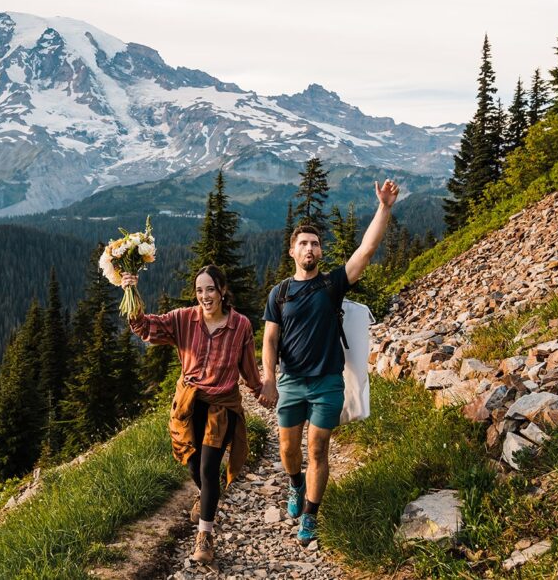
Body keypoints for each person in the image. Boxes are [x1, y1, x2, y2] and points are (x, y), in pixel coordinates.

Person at [259, 179, 399, 546]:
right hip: (290, 383)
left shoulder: (332, 285)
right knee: (288, 450)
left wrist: (384, 207)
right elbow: (270, 338)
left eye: (315, 244)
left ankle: (310, 514)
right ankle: (294, 486)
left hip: (326, 384)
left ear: (320, 252)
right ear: (292, 251)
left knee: (318, 449)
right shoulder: (280, 293)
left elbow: (366, 252)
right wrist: (268, 378)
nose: (310, 248)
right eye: (303, 243)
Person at [121, 265, 262, 565]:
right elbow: (146, 328)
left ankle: (205, 537)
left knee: (210, 469)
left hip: (222, 406)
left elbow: (248, 366)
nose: (205, 296)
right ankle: (206, 495)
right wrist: (130, 291)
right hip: (188, 404)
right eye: (199, 290)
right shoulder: (184, 319)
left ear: (222, 290)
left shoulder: (241, 326)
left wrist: (260, 389)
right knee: (194, 467)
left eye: (210, 289)